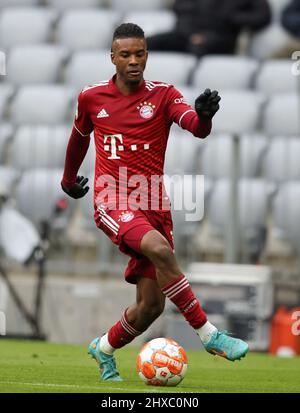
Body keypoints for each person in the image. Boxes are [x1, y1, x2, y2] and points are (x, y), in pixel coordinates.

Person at [61, 23, 248, 382]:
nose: (134, 61)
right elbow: (78, 139)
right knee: (160, 250)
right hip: (111, 197)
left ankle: (103, 349)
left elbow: (194, 126)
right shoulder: (91, 97)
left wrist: (205, 116)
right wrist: (68, 181)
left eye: (140, 53)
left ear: (147, 54)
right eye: (126, 55)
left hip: (152, 203)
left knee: (150, 307)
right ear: (113, 57)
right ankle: (210, 336)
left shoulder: (163, 95)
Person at [147, 0, 271, 57]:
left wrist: (232, 18)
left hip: (221, 38)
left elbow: (262, 16)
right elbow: (180, 8)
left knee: (197, 48)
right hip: (185, 35)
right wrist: (191, 35)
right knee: (145, 43)